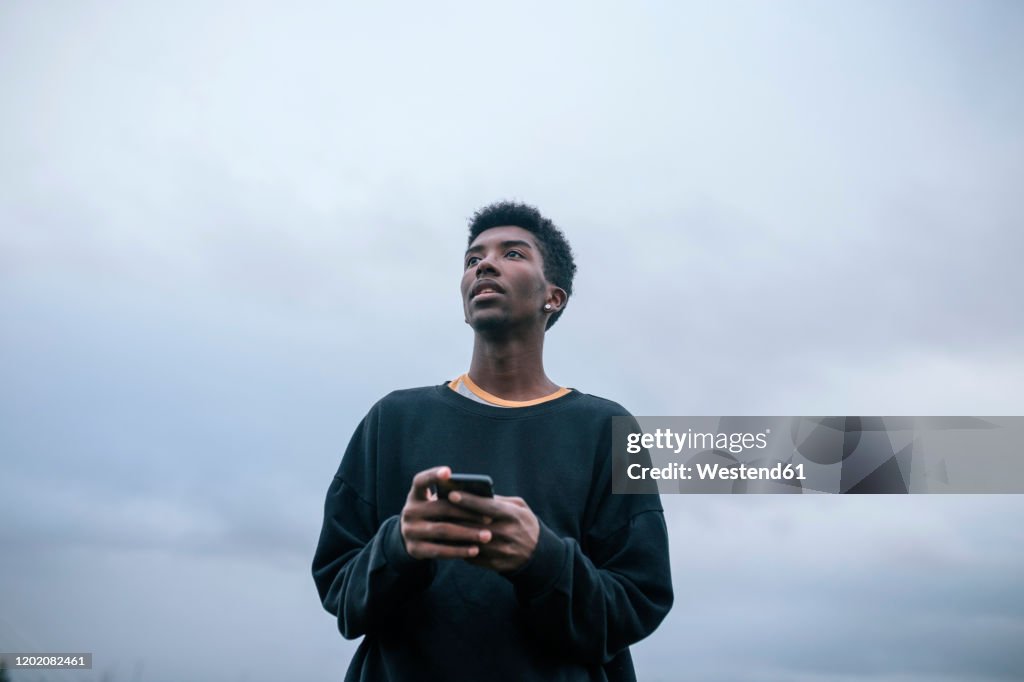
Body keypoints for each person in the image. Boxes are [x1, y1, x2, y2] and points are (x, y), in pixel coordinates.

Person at [312, 201, 673, 681]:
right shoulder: (392, 419)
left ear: (554, 298)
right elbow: (340, 594)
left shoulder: (608, 428)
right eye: (472, 259)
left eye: (513, 254)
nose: (484, 264)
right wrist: (401, 545)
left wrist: (540, 559)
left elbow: (637, 603)